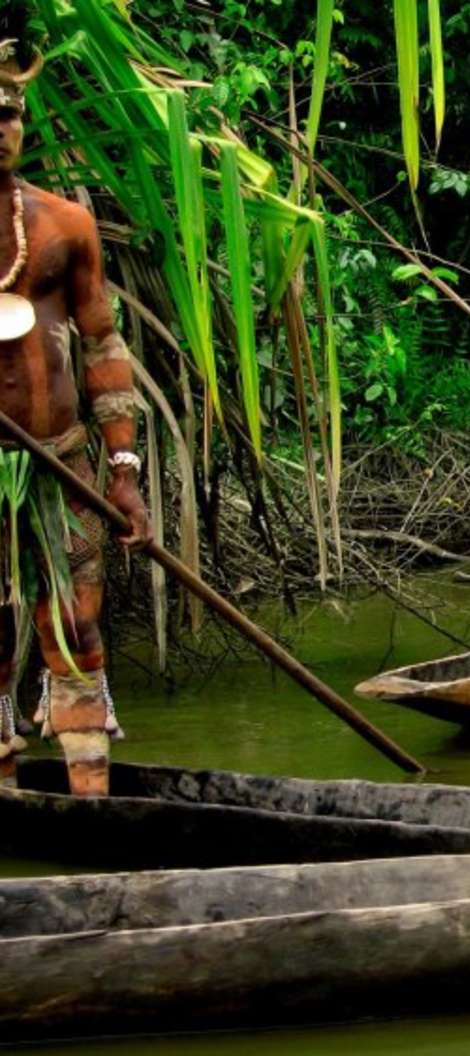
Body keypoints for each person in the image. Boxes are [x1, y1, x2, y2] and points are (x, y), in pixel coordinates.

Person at [0, 20, 151, 796]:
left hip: (62, 464)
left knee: (77, 631)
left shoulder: (63, 224)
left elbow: (101, 344)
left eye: (10, 114)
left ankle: (91, 805)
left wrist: (122, 469)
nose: (2, 131)